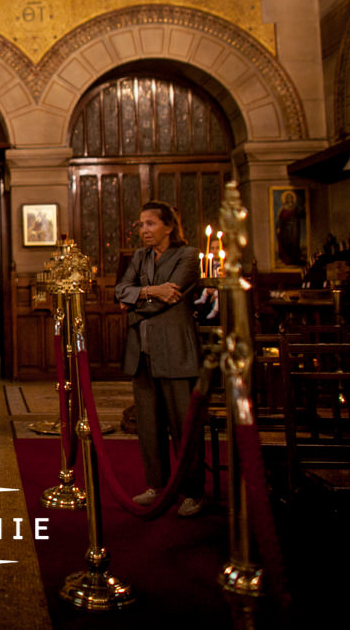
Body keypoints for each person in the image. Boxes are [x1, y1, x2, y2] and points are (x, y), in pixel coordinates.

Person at [114, 201, 204, 517]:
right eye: (141, 224)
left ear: (168, 225)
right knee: (149, 426)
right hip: (142, 352)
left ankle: (193, 491)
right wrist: (152, 291)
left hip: (177, 351)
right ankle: (157, 485)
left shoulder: (189, 256)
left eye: (150, 223)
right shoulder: (138, 257)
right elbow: (120, 290)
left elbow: (174, 295)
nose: (144, 230)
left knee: (184, 425)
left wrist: (138, 299)